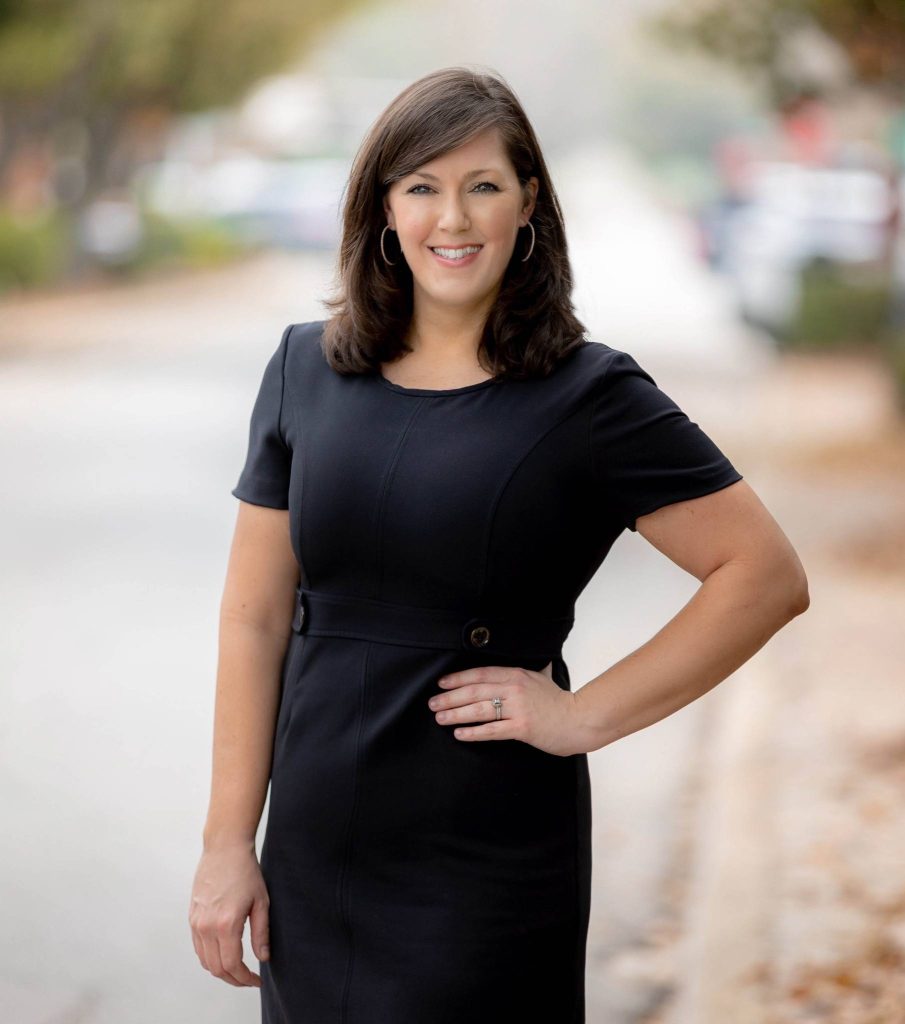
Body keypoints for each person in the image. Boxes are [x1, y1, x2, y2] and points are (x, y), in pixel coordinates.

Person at [189, 66, 810, 1023]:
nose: (454, 218)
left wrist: (584, 715)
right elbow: (254, 617)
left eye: (482, 185)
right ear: (382, 209)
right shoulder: (301, 372)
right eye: (422, 187)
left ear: (527, 206)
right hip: (318, 846)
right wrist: (228, 842)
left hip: (482, 856)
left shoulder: (589, 396)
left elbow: (762, 575)